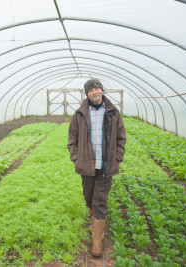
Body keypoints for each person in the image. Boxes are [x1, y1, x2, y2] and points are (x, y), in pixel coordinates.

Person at [67, 78, 126, 257]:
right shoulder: (79, 114)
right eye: (90, 90)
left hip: (106, 165)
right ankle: (93, 217)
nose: (95, 92)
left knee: (100, 200)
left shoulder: (113, 112)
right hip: (86, 164)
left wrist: (117, 157)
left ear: (102, 90)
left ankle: (97, 240)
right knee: (89, 197)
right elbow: (72, 138)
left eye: (97, 89)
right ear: (87, 94)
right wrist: (76, 158)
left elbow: (121, 138)